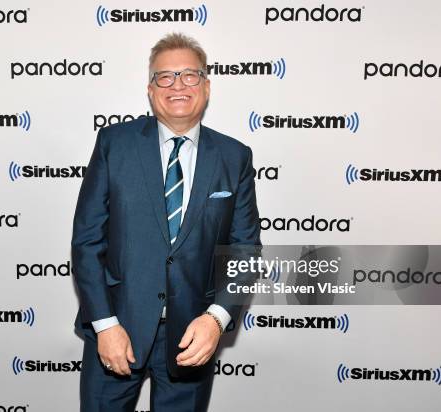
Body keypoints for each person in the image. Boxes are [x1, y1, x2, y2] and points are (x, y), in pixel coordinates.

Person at [72, 32, 261, 412]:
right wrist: (105, 325)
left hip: (192, 337)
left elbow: (245, 250)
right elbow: (87, 242)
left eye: (190, 75)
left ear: (206, 87)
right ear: (150, 88)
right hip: (117, 328)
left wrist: (217, 318)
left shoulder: (233, 156)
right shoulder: (114, 144)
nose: (178, 86)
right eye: (166, 76)